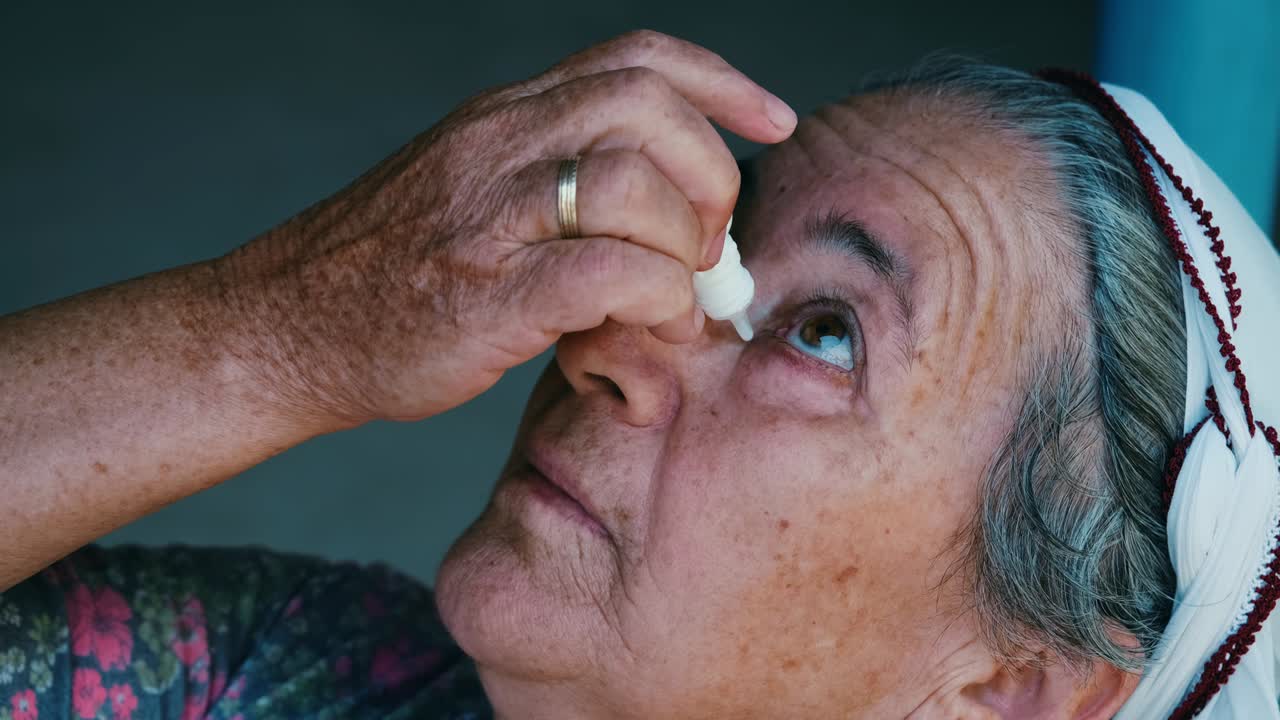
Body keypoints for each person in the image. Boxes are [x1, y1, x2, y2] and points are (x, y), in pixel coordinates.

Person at [0, 30, 1276, 720]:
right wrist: (284, 334)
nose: (612, 337)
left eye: (825, 332)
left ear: (1007, 695)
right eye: (711, 248)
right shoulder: (312, 675)